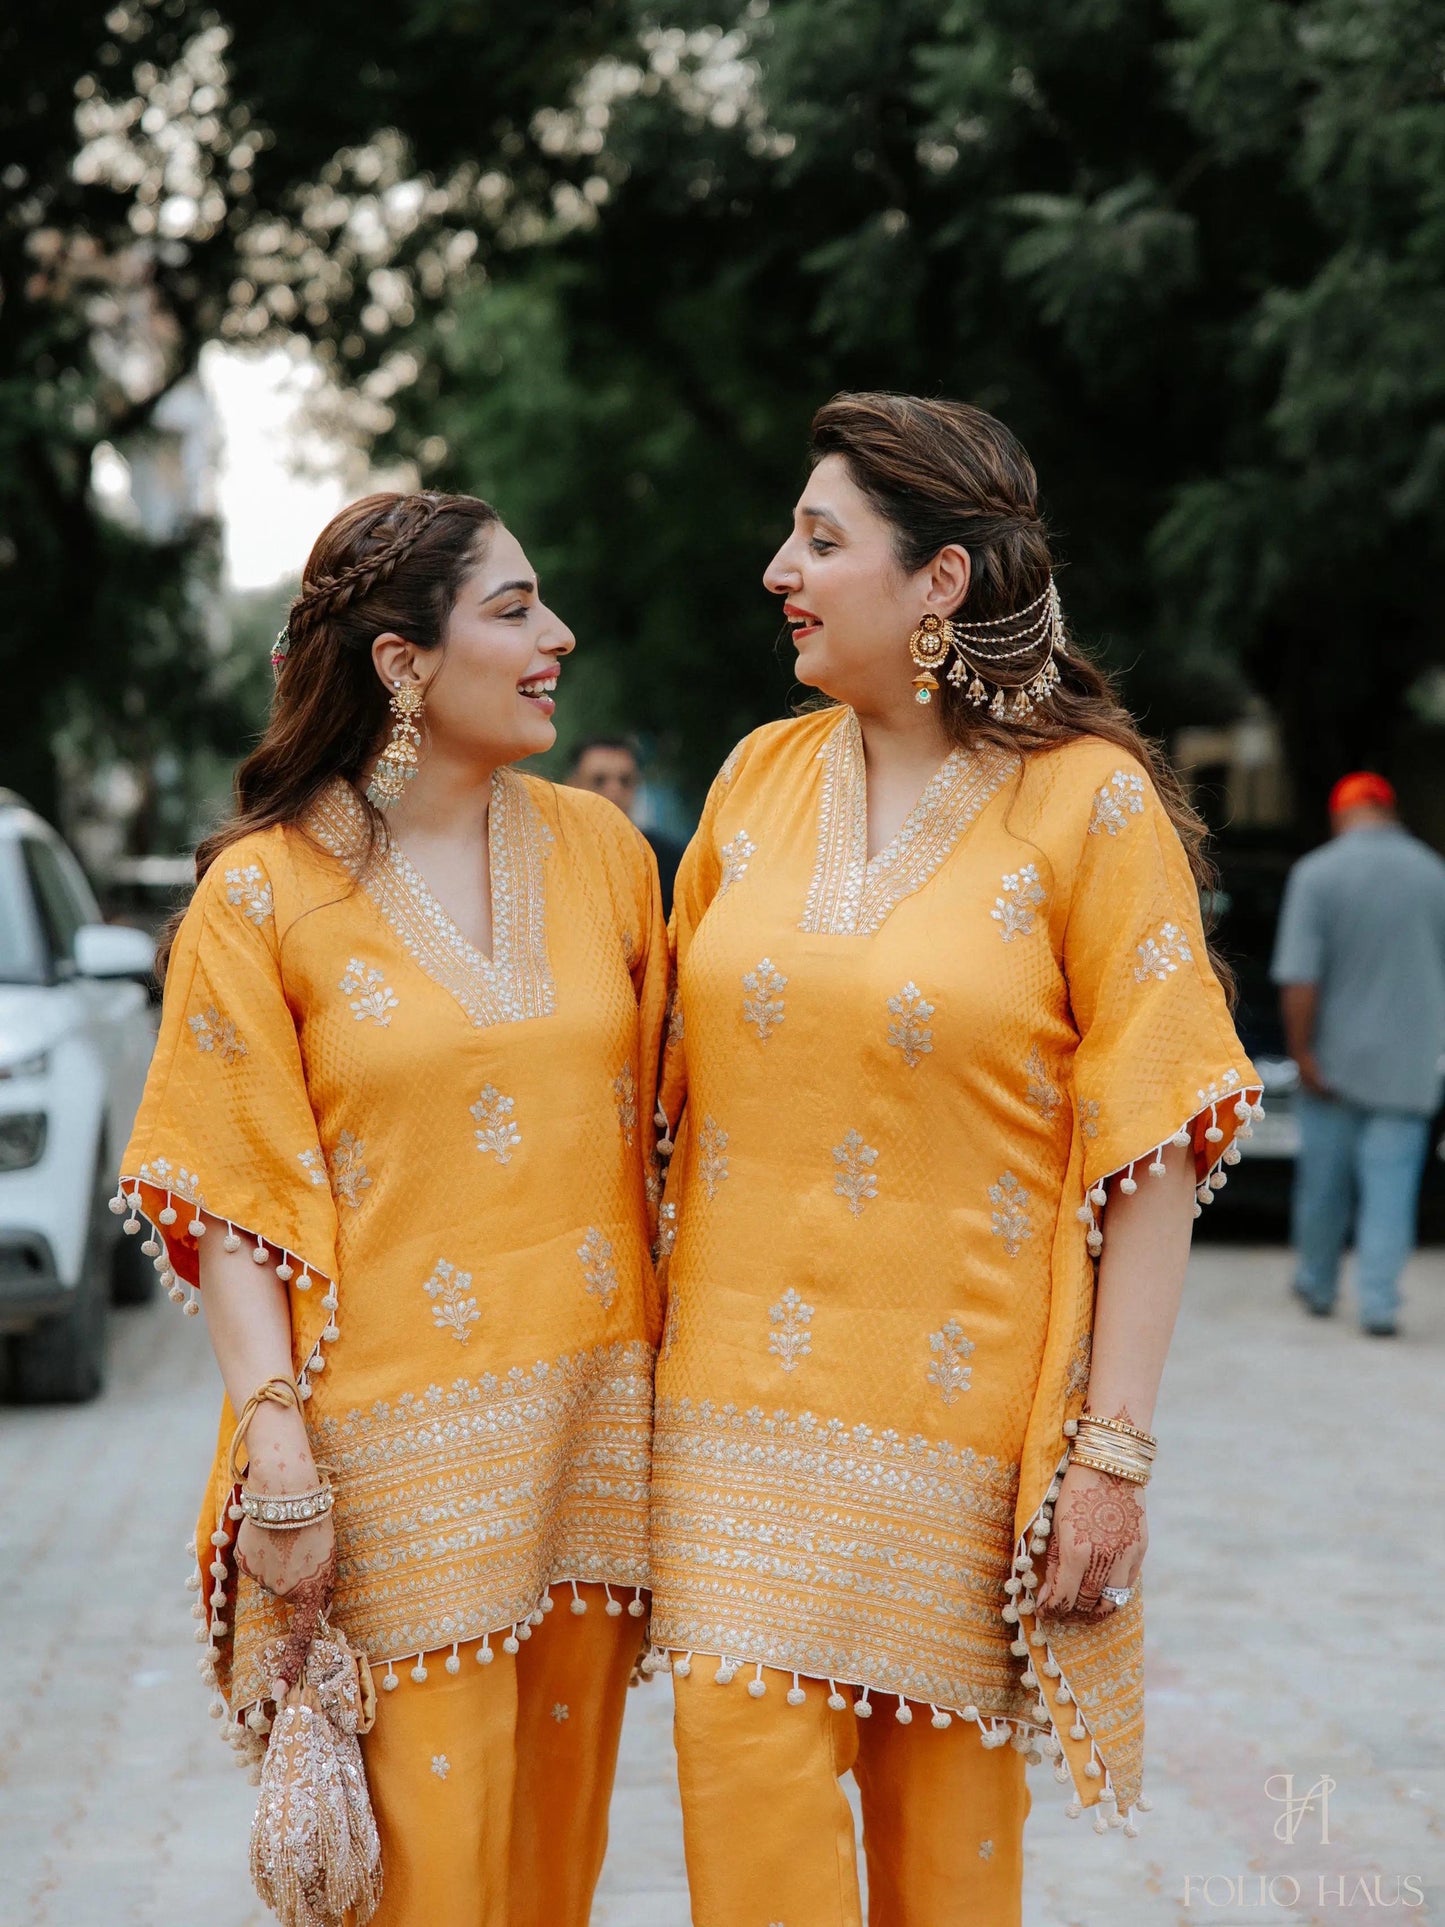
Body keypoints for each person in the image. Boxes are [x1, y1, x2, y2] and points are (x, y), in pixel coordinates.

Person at [645, 393, 1261, 1925]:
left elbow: (1157, 1140)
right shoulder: (752, 783)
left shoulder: (1088, 800)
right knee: (749, 1848)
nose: (779, 566)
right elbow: (644, 1090)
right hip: (728, 1429)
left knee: (949, 1878)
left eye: (820, 537)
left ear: (940, 582)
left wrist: (1108, 1454)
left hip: (965, 1441)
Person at [116, 492, 668, 1927]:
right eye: (512, 608)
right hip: (387, 1462)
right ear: (401, 661)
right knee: (422, 1878)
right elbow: (232, 1192)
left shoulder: (606, 856)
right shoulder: (266, 892)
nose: (556, 637)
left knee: (554, 1868)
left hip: (592, 1444)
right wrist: (279, 1459)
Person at [1272, 770, 1445, 1336]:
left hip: (1334, 1059)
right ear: (1390, 810)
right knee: (1391, 1187)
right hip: (1410, 1064)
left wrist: (1302, 1051)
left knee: (1325, 1182)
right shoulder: (1434, 876)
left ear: (1340, 814)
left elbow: (1299, 977)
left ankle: (1319, 1285)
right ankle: (1379, 1305)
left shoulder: (1317, 874)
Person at [567, 735, 685, 916]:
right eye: (599, 780)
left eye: (625, 781)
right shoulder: (549, 854)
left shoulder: (668, 862)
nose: (614, 791)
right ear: (571, 785)